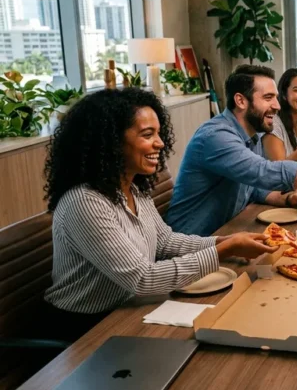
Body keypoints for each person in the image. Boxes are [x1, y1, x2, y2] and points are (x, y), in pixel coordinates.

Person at [42, 88, 278, 341]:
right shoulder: (85, 202)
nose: (161, 143)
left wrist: (222, 243)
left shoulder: (132, 186)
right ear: (111, 141)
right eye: (147, 134)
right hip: (86, 328)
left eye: (158, 133)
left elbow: (165, 241)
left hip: (130, 308)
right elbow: (143, 278)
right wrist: (223, 251)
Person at [166, 65, 297, 236]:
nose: (277, 105)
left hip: (226, 234)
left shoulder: (252, 134)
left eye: (276, 97)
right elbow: (265, 173)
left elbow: (253, 187)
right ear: (241, 101)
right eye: (268, 98)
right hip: (191, 247)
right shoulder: (216, 136)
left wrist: (285, 199)